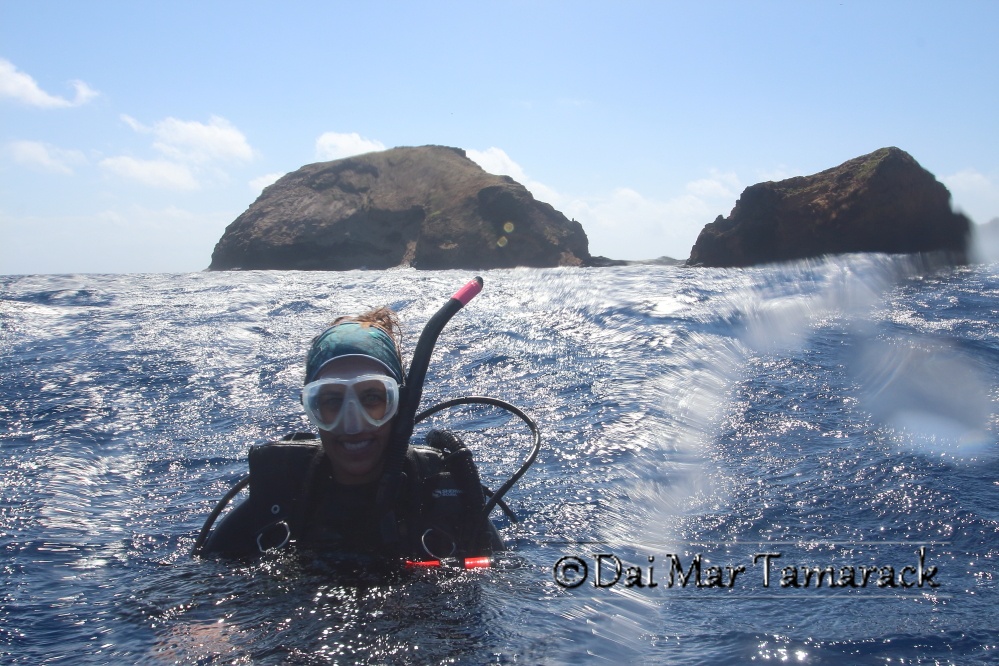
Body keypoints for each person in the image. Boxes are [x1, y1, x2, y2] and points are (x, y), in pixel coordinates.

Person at [199, 307, 502, 561]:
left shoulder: (445, 499)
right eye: (332, 401)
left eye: (372, 398)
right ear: (311, 408)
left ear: (400, 404)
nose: (353, 423)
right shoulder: (280, 499)